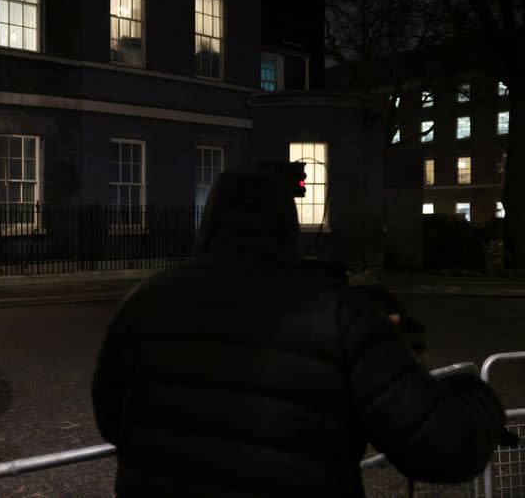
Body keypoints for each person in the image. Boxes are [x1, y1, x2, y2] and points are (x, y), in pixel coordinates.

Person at [91, 171, 504, 497]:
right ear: (286, 227)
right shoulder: (340, 311)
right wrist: (476, 396)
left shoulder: (144, 302)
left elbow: (110, 419)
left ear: (210, 222)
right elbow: (443, 448)